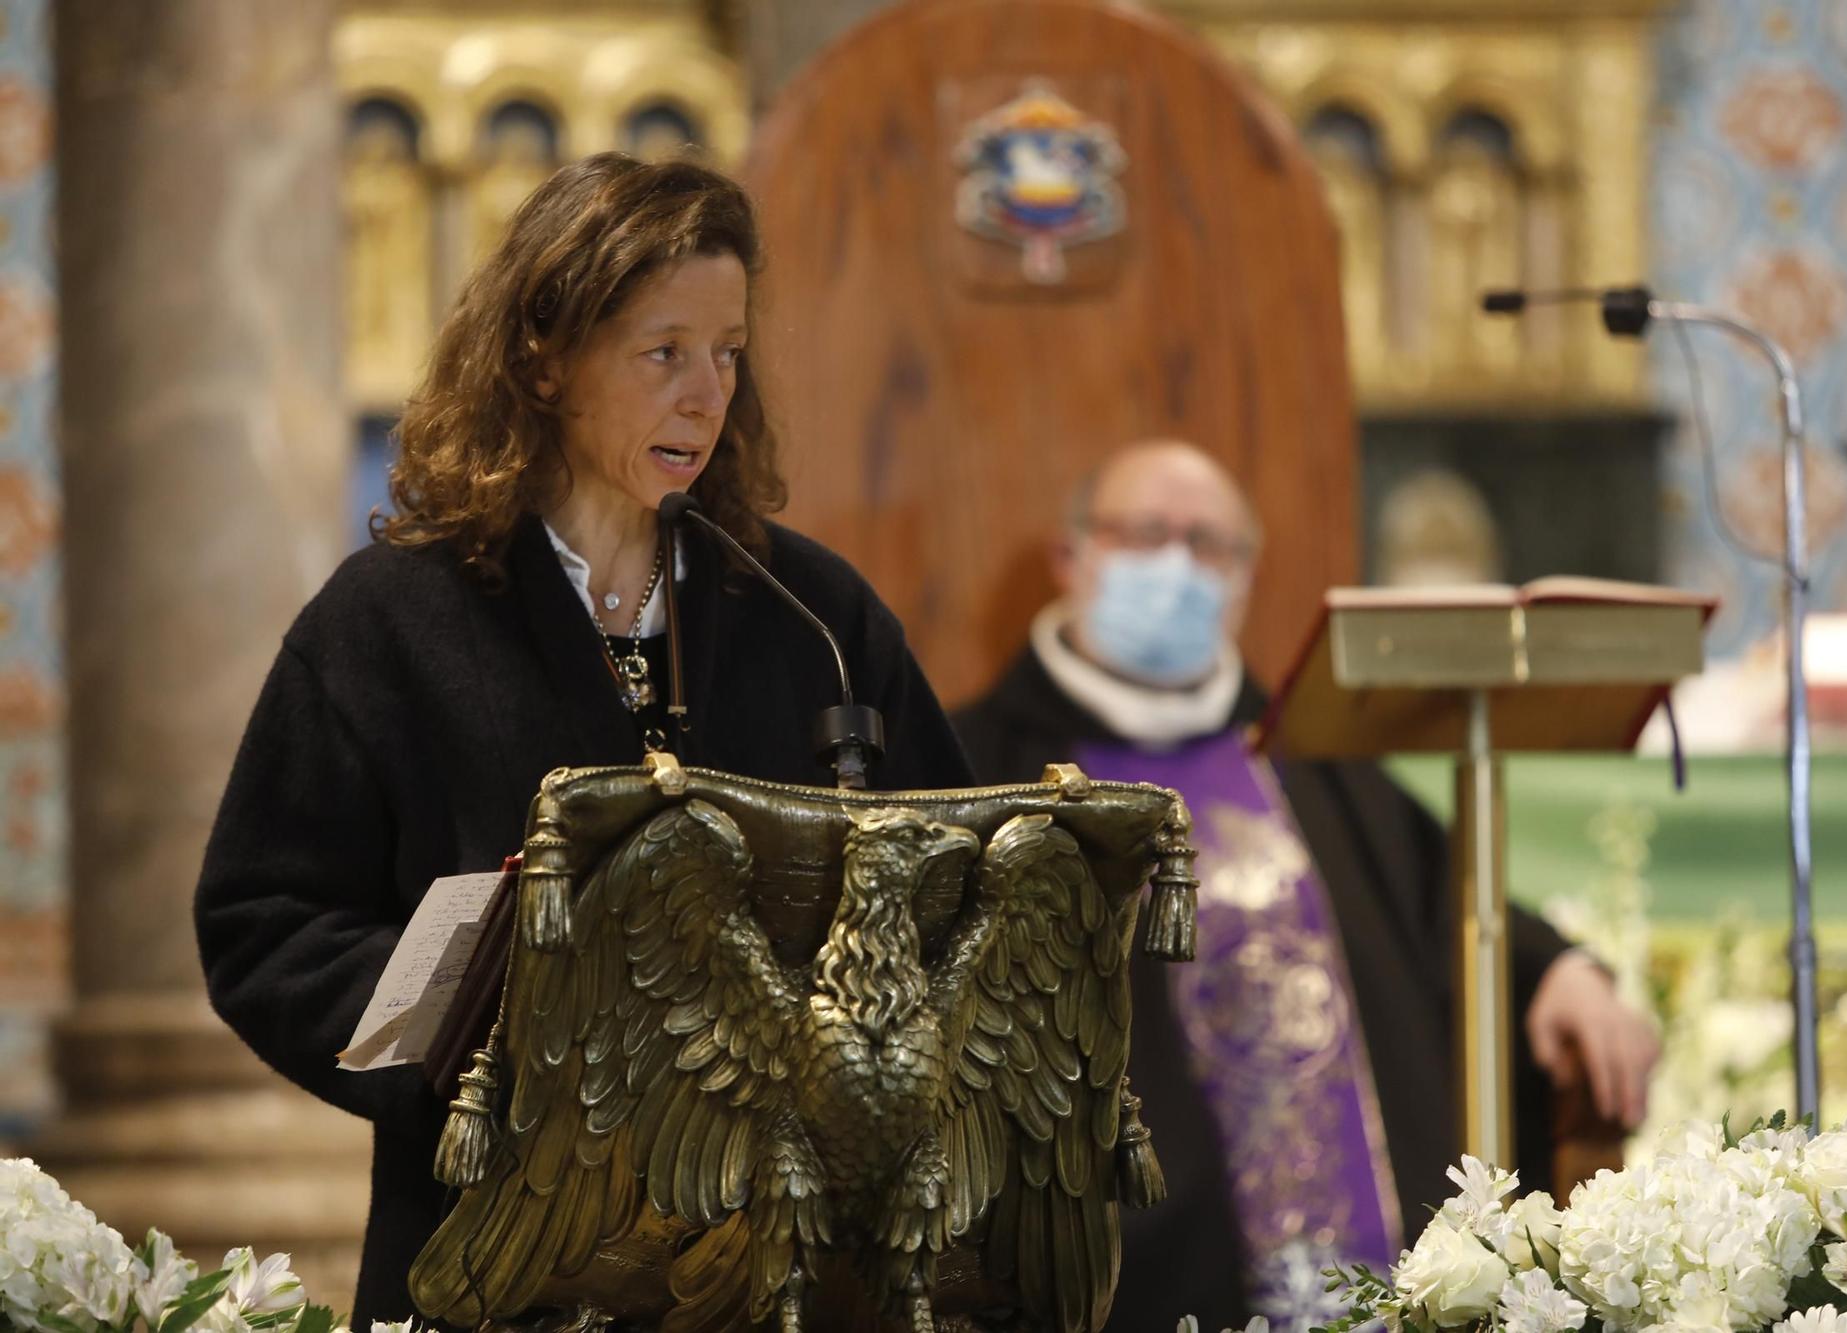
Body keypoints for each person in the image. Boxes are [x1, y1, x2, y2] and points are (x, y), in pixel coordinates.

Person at [193, 155, 972, 1326]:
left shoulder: (813, 615)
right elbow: (267, 923)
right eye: (663, 352)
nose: (706, 395)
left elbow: (954, 880)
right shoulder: (391, 621)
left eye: (727, 352)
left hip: (790, 1266)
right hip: (497, 1248)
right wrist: (480, 1047)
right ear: (542, 359)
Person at [952, 440, 1661, 1333]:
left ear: (1244, 576)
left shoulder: (1299, 757)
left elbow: (1439, 896)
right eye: (1145, 533)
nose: (1178, 564)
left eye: (1209, 544)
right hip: (1142, 1271)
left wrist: (1560, 970)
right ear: (1071, 556)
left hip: (1377, 1255)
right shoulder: (973, 770)